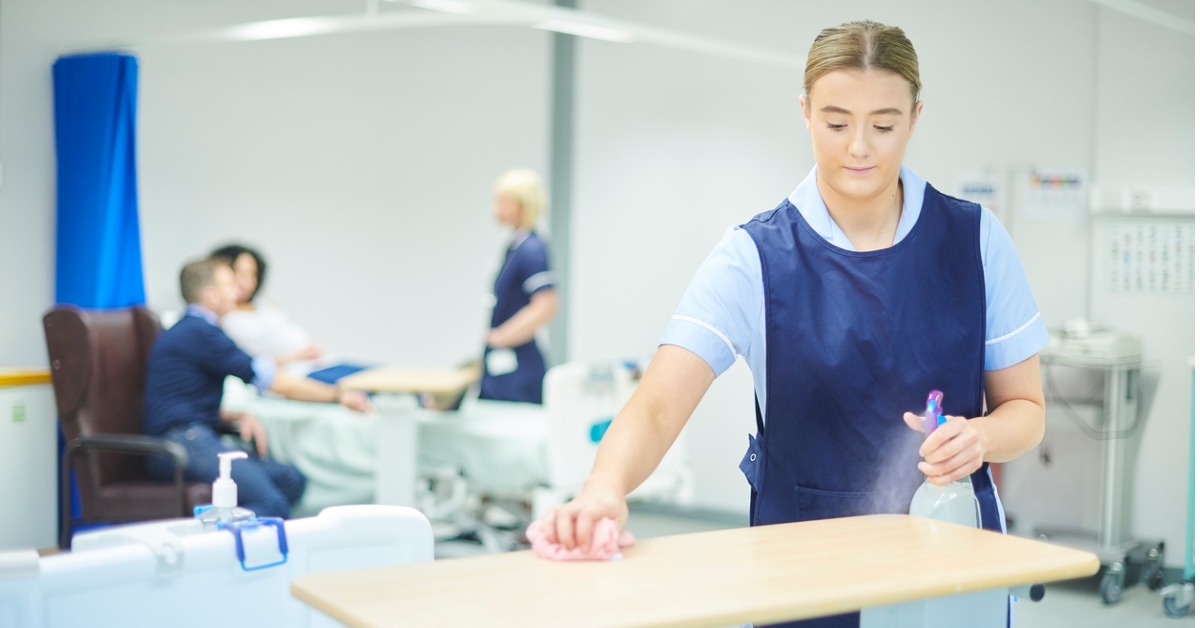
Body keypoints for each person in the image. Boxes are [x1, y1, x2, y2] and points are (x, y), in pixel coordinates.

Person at [539, 20, 1047, 627]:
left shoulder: (974, 241)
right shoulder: (755, 256)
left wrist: (982, 438)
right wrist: (604, 486)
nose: (859, 146)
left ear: (915, 117)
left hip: (947, 563)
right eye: (836, 123)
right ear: (805, 113)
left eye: (883, 125)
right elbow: (656, 406)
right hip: (804, 574)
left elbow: (1026, 410)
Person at [144, 257, 372, 519]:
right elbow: (271, 380)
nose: (238, 290)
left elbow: (182, 401)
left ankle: (239, 538)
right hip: (182, 444)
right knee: (273, 504)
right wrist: (337, 396)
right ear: (210, 296)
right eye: (229, 284)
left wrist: (237, 416)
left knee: (290, 479)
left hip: (192, 436)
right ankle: (214, 547)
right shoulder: (200, 333)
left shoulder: (194, 330)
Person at [210, 243, 368, 384]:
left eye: (252, 274)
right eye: (239, 273)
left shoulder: (263, 303)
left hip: (319, 363)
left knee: (375, 373)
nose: (246, 281)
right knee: (366, 383)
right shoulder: (222, 319)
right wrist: (295, 357)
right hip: (294, 375)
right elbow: (246, 364)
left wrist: (311, 347)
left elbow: (286, 328)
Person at [479, 169, 559, 404]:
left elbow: (546, 306)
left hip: (517, 369)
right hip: (503, 363)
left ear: (523, 205)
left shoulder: (531, 249)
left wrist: (501, 337)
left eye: (504, 202)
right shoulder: (515, 245)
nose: (496, 209)